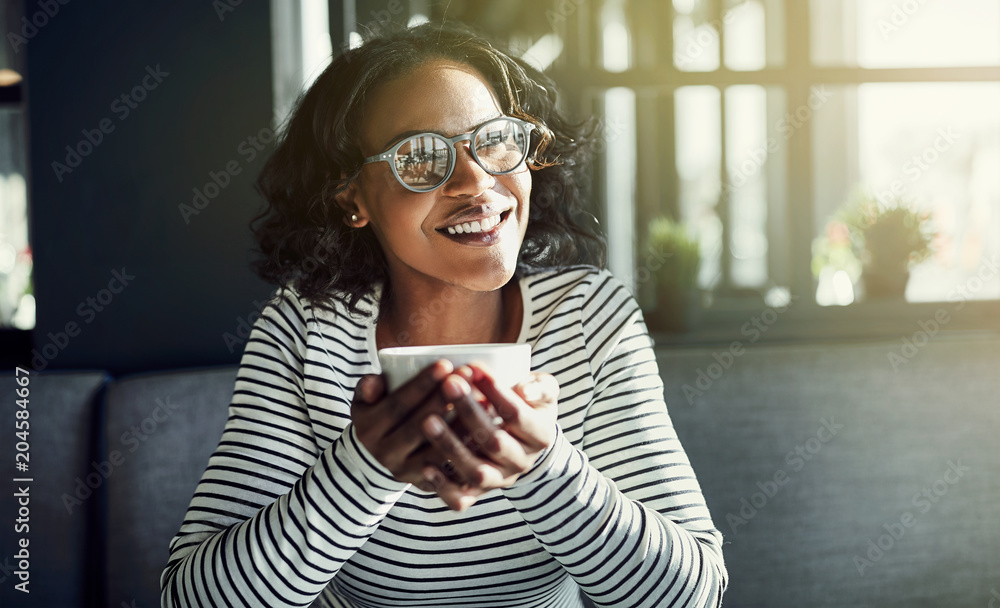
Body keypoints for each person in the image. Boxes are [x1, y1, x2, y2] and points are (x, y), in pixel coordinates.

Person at [161, 21, 727, 608]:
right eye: (421, 157)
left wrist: (544, 469)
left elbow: (690, 595)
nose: (477, 181)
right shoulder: (307, 329)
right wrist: (363, 467)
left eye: (497, 139)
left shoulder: (588, 315)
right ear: (351, 197)